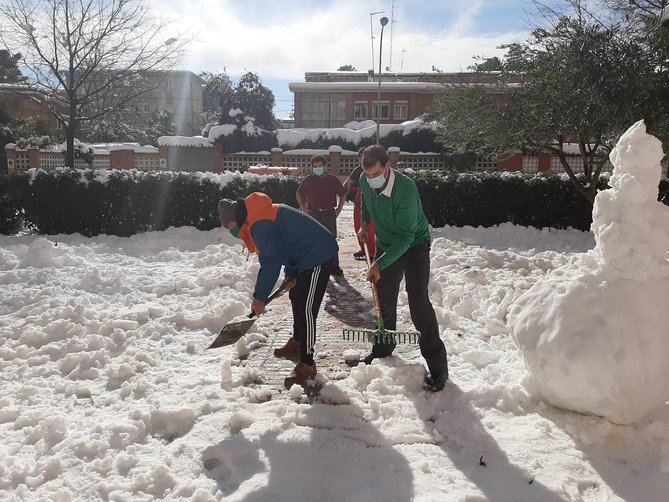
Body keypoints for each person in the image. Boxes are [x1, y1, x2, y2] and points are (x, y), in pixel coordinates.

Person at [218, 192, 337, 388]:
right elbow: (286, 243)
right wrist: (291, 273)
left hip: (317, 255)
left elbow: (271, 262)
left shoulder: (260, 223)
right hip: (303, 256)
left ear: (236, 221)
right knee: (296, 298)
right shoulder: (256, 216)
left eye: (231, 228)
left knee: (305, 309)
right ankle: (298, 342)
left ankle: (307, 364)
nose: (233, 233)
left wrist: (259, 298)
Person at [357, 145, 449, 392]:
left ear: (388, 166)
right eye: (367, 175)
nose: (371, 180)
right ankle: (382, 350)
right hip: (386, 244)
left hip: (415, 246)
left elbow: (407, 237)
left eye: (376, 174)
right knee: (383, 301)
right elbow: (365, 199)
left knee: (419, 305)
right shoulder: (365, 179)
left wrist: (379, 264)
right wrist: (365, 223)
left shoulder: (406, 189)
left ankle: (439, 370)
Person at [296, 155, 347, 277]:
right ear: (312, 167)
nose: (317, 168)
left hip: (329, 213)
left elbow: (343, 194)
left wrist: (339, 209)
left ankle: (334, 267)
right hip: (314, 213)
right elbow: (299, 193)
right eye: (315, 166)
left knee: (331, 240)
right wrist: (303, 207)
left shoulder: (333, 180)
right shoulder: (308, 180)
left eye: (320, 166)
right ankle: (316, 265)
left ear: (325, 166)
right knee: (315, 240)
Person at [344, 147, 376, 261]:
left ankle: (372, 252)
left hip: (372, 201)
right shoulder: (358, 170)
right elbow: (348, 182)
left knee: (370, 228)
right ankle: (364, 249)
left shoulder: (375, 169)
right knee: (358, 227)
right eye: (362, 157)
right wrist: (348, 191)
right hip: (359, 202)